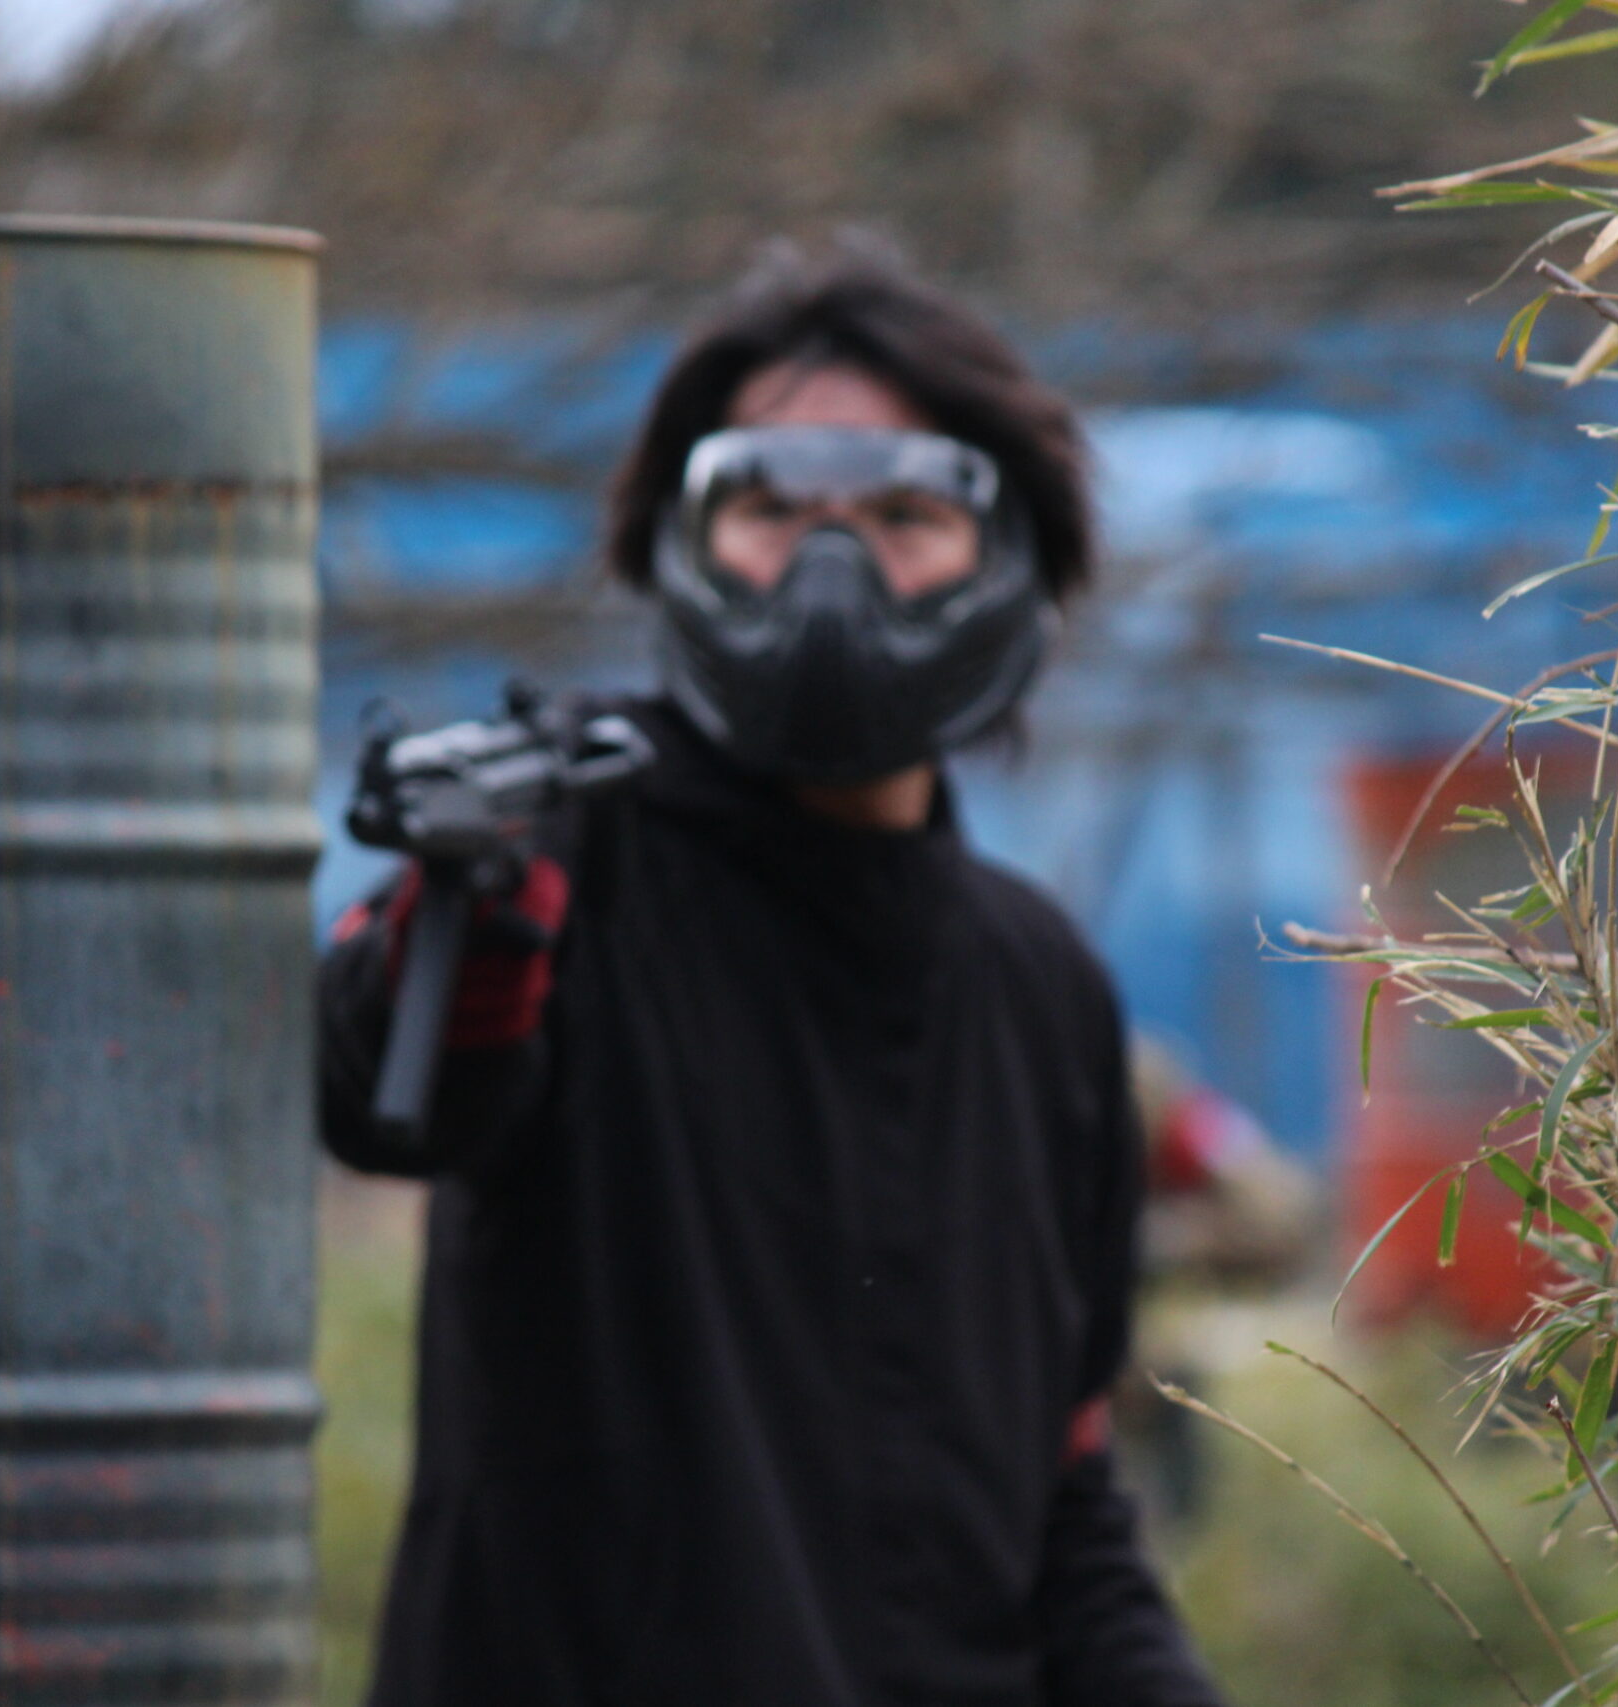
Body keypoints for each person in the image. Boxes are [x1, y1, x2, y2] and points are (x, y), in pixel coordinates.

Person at [318, 244, 1228, 1707]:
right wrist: (475, 897)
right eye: (769, 509)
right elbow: (391, 1091)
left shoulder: (1040, 987)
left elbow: (1066, 1511)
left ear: (1012, 560)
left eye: (903, 514)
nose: (828, 567)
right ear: (678, 543)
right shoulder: (556, 858)